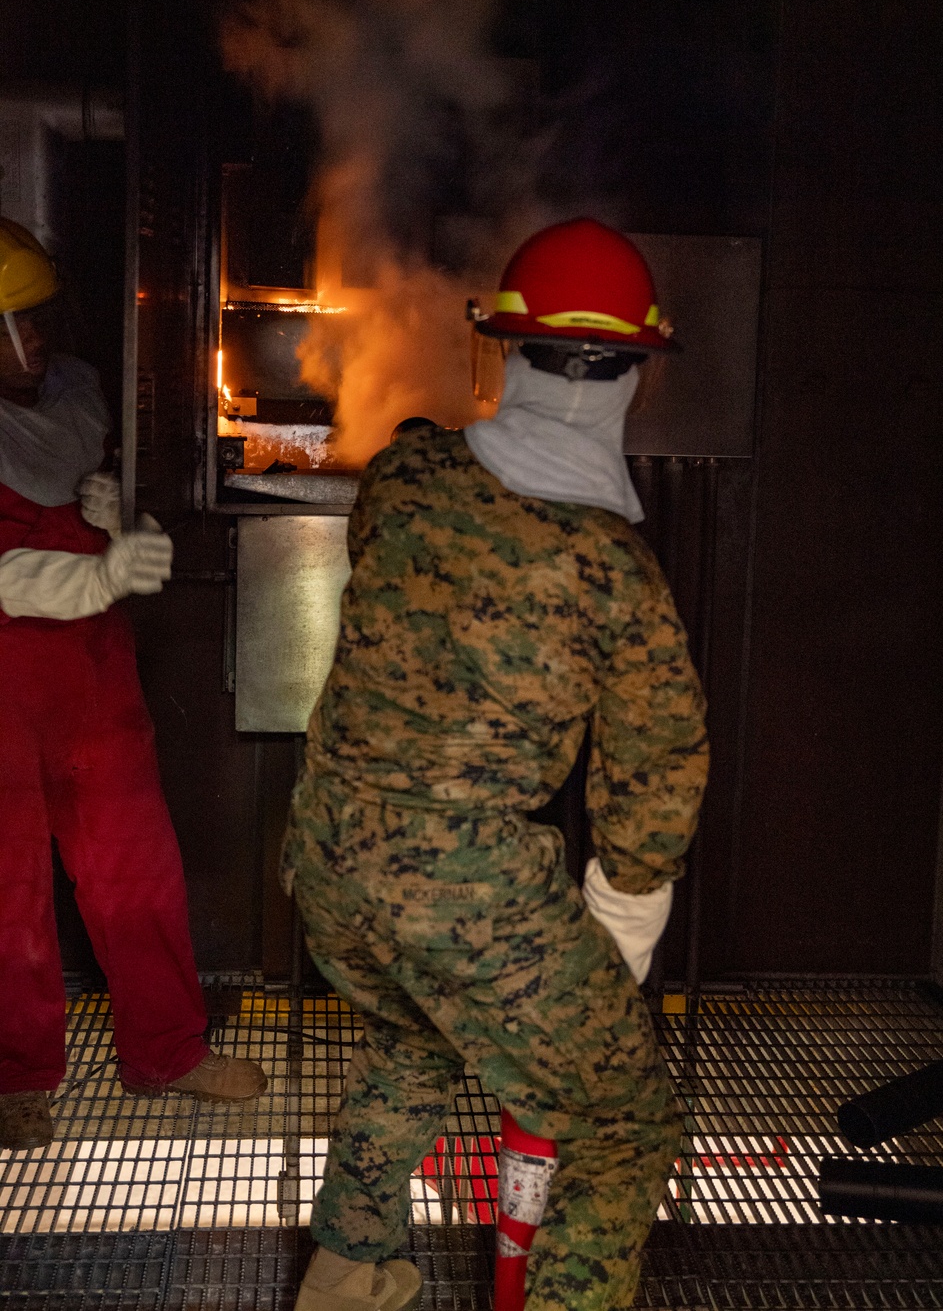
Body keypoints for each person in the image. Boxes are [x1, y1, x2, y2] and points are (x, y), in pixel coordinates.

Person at [283, 218, 708, 1311]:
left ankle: (347, 1266)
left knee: (411, 1037)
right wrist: (619, 926)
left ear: (501, 353)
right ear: (633, 380)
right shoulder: (616, 571)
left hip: (330, 859)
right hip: (468, 899)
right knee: (625, 1119)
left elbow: (450, 472)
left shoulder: (406, 472)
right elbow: (656, 783)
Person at [0, 218, 267, 1153]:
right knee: (8, 888)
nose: (32, 343)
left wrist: (113, 518)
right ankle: (16, 1077)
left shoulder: (74, 394)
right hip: (4, 681)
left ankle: (166, 1051)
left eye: (37, 319)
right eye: (11, 326)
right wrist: (99, 577)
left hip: (95, 673)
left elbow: (93, 482)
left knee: (137, 866)